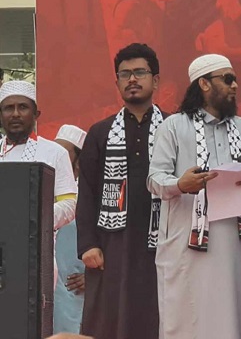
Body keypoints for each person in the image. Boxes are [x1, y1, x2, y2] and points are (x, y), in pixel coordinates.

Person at [148, 54, 241, 339]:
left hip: (235, 245)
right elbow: (154, 179)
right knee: (190, 320)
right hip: (189, 246)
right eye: (227, 79)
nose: (235, 85)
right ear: (204, 84)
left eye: (235, 79)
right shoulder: (173, 126)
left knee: (233, 318)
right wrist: (181, 184)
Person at [76, 43, 166, 339]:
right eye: (125, 74)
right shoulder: (100, 132)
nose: (132, 79)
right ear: (117, 83)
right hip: (113, 245)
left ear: (156, 80)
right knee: (111, 320)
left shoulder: (174, 127)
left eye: (140, 72)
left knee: (161, 316)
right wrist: (88, 244)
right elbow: (87, 191)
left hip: (163, 242)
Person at [0, 81, 78, 287]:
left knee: (30, 306)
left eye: (23, 107)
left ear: (36, 114)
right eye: (8, 108)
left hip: (36, 253)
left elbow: (70, 204)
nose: (15, 114)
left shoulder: (55, 153)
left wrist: (31, 217)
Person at [54, 124, 87, 334]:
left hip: (74, 295)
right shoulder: (43, 188)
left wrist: (96, 278)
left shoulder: (91, 197)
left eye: (64, 153)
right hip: (45, 291)